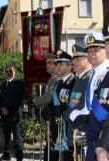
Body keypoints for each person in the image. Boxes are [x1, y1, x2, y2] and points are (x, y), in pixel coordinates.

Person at [70, 33, 109, 161]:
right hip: (93, 132)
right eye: (89, 51)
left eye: (96, 50)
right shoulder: (94, 72)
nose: (92, 54)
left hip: (103, 135)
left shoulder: (105, 72)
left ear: (105, 50)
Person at [46, 49, 76, 161]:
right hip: (56, 127)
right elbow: (54, 103)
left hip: (68, 128)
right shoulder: (58, 83)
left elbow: (74, 104)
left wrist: (63, 109)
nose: (57, 66)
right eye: (57, 63)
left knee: (68, 157)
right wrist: (49, 110)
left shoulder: (74, 82)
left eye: (61, 64)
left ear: (70, 66)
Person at [0, 65, 24, 161]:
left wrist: (8, 108)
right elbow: (0, 99)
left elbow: (18, 99)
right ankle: (6, 155)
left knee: (17, 137)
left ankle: (19, 156)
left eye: (10, 71)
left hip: (14, 115)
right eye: (6, 71)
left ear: (14, 72)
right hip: (4, 115)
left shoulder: (19, 83)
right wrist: (1, 109)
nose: (8, 73)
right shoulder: (3, 84)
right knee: (6, 136)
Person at [63, 44, 93, 130]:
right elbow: (74, 101)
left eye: (77, 59)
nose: (73, 62)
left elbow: (86, 104)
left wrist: (67, 113)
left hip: (82, 126)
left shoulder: (89, 78)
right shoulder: (81, 78)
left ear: (87, 59)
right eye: (73, 59)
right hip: (74, 125)